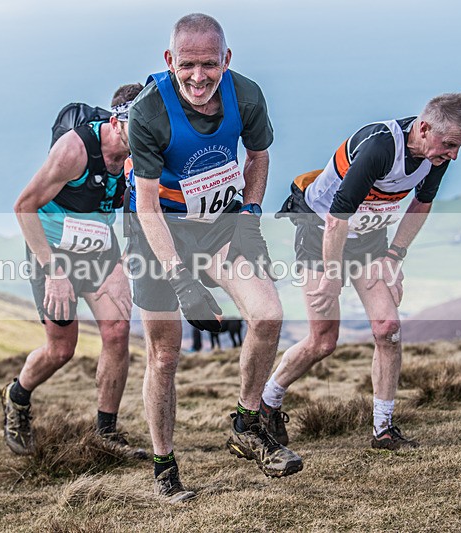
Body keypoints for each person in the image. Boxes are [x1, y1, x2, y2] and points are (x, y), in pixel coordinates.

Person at [128, 13, 303, 502]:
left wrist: (250, 214)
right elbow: (146, 207)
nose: (198, 76)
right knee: (165, 355)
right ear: (170, 60)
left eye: (209, 64)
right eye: (187, 65)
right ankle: (165, 467)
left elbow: (258, 157)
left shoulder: (245, 96)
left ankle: (247, 425)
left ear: (226, 59)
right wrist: (182, 280)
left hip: (221, 224)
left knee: (267, 315)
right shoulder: (149, 112)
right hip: (157, 230)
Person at [263, 93, 461, 450]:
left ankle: (383, 429)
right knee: (323, 341)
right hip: (321, 233)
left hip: (368, 239)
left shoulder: (435, 155)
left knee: (388, 328)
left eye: (459, 147)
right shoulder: (380, 147)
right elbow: (337, 217)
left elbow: (421, 203)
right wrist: (332, 274)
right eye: (450, 145)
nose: (453, 155)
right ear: (424, 128)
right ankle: (268, 402)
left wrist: (394, 256)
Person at [2, 83, 145, 458]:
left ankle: (106, 434)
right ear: (115, 121)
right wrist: (53, 271)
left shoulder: (140, 153)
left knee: (117, 331)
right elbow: (24, 206)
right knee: (61, 349)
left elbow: (134, 203)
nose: (147, 134)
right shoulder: (75, 149)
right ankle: (17, 397)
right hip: (53, 251)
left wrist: (123, 257)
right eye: (138, 124)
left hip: (99, 250)